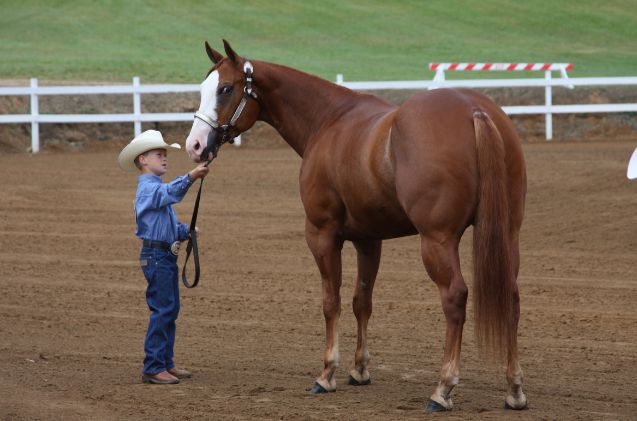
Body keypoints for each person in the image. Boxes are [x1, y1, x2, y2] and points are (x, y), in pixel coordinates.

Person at [118, 130, 209, 384]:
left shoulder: (154, 189)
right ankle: (154, 366)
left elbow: (165, 222)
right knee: (163, 310)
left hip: (162, 256)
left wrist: (184, 231)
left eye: (165, 154)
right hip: (157, 256)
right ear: (143, 160)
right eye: (159, 154)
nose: (164, 158)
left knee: (169, 309)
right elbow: (170, 194)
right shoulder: (150, 189)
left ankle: (165, 363)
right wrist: (191, 176)